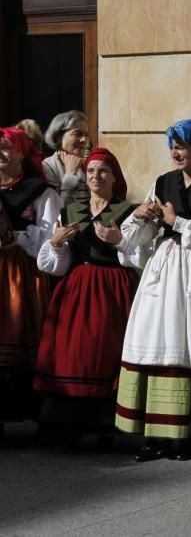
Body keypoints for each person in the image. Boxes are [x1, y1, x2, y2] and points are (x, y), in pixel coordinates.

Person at [114, 119, 191, 462]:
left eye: (183, 146)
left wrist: (176, 222)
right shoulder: (163, 182)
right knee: (157, 341)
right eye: (173, 146)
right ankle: (156, 434)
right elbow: (137, 238)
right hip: (164, 268)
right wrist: (141, 217)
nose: (176, 152)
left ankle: (189, 434)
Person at [34, 148, 146, 443]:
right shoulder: (71, 210)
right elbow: (56, 266)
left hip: (113, 288)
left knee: (105, 351)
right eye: (92, 171)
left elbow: (141, 258)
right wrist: (56, 244)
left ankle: (105, 422)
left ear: (114, 177)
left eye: (103, 171)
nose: (96, 176)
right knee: (70, 353)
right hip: (75, 288)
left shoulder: (128, 211)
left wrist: (119, 240)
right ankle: (65, 424)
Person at [0, 127, 60, 436]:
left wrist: (18, 235)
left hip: (21, 275)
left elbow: (51, 238)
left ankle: (30, 414)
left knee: (19, 338)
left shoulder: (39, 191)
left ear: (23, 153)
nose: (1, 152)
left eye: (6, 147)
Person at [42, 111, 91, 206]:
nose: (84, 140)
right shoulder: (47, 167)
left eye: (86, 135)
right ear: (59, 136)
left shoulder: (88, 164)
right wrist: (70, 175)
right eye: (77, 134)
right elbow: (56, 209)